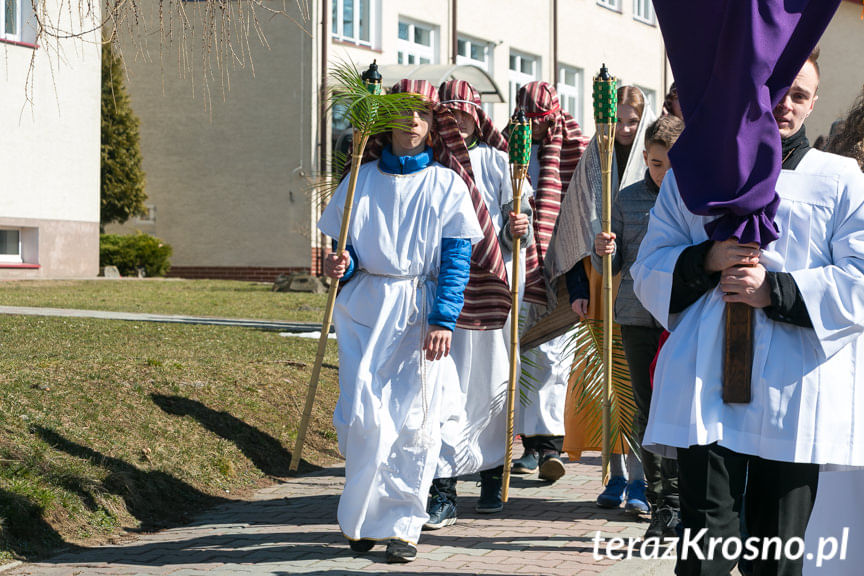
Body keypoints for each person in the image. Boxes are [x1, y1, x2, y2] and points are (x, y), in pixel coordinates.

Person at [632, 50, 864, 576]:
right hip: (706, 380)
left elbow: (861, 278)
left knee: (777, 551)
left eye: (799, 96)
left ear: (814, 103)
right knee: (705, 546)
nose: (786, 105)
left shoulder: (841, 178)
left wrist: (774, 290)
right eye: (778, 91)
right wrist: (707, 259)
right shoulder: (694, 174)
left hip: (794, 387)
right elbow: (648, 268)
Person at [318, 79, 483, 564]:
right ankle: (364, 521)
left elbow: (456, 258)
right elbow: (344, 250)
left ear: (434, 127)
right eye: (403, 111)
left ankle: (405, 527)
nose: (413, 121)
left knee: (416, 422)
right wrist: (339, 266)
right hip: (366, 309)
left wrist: (442, 320)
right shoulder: (360, 181)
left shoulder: (446, 183)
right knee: (365, 416)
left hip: (419, 309)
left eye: (423, 114)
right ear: (387, 120)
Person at [543, 86, 656, 513]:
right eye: (615, 121)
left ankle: (641, 479)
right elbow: (573, 229)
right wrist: (576, 292)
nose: (622, 130)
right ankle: (613, 474)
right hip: (596, 284)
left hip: (640, 291)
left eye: (631, 122)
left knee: (637, 388)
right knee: (609, 388)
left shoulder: (653, 164)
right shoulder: (594, 162)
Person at [425, 79, 533, 527]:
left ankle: (492, 473)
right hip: (442, 287)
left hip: (493, 284)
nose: (458, 120)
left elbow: (515, 220)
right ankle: (443, 484)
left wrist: (517, 226)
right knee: (443, 389)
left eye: (465, 112)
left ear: (477, 115)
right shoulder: (432, 161)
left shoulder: (498, 160)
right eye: (449, 112)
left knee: (491, 382)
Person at [592, 115, 684, 538]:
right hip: (636, 316)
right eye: (656, 164)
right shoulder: (627, 200)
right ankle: (660, 501)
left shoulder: (695, 201)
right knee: (648, 410)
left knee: (681, 408)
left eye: (671, 164)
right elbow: (609, 263)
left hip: (682, 317)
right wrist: (602, 251)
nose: (663, 173)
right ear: (645, 159)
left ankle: (686, 499)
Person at [507, 81, 588, 483]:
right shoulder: (512, 145)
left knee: (553, 357)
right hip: (520, 263)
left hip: (561, 265)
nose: (537, 130)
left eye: (543, 123)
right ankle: (529, 446)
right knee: (524, 354)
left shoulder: (576, 147)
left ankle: (551, 445)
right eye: (531, 123)